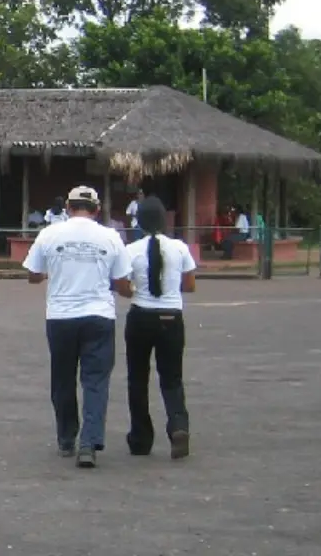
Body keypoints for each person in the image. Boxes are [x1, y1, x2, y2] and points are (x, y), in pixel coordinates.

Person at [22, 185, 133, 468]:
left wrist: (52, 272)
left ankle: (66, 438)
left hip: (60, 316)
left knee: (63, 379)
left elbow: (33, 275)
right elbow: (122, 281)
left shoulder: (49, 234)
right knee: (95, 381)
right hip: (98, 316)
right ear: (96, 210)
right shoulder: (110, 237)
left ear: (68, 209)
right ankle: (89, 442)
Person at [122, 196, 196, 459]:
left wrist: (133, 290)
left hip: (141, 316)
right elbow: (189, 285)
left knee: (137, 379)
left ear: (139, 222)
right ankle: (178, 425)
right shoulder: (179, 248)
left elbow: (122, 284)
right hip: (172, 317)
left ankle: (141, 438)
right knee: (172, 378)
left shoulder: (130, 251)